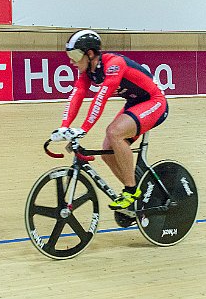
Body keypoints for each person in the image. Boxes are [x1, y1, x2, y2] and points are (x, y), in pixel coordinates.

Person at [50, 29, 168, 210]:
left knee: (114, 132)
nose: (71, 60)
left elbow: (100, 99)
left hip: (155, 102)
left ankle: (131, 190)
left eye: (74, 55)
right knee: (107, 151)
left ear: (90, 54)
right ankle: (138, 192)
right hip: (135, 103)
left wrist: (83, 129)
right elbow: (77, 95)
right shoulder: (88, 71)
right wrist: (64, 127)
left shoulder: (114, 64)